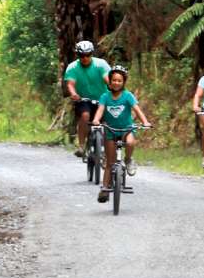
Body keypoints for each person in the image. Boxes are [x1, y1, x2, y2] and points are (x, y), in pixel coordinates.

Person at [94, 65, 153, 203]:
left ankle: (128, 159)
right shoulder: (105, 96)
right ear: (109, 81)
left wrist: (145, 122)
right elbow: (100, 110)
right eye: (114, 80)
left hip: (127, 129)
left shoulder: (127, 96)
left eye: (119, 80)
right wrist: (96, 120)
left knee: (131, 142)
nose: (116, 83)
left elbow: (137, 110)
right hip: (110, 131)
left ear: (124, 82)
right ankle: (104, 188)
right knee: (110, 162)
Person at [62, 41, 109, 158]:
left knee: (107, 122)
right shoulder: (72, 67)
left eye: (88, 55)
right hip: (83, 99)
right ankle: (82, 146)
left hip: (102, 99)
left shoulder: (101, 64)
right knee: (85, 116)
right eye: (82, 55)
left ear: (92, 54)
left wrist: (114, 90)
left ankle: (106, 147)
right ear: (78, 55)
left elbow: (107, 78)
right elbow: (70, 84)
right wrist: (73, 94)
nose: (85, 58)